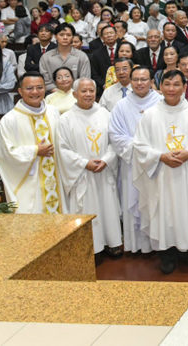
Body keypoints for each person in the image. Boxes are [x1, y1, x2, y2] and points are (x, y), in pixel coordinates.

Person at [132, 69, 188, 274]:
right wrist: (161, 156)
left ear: (184, 87)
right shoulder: (150, 115)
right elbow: (139, 145)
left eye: (176, 84)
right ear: (160, 87)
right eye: (167, 84)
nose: (171, 89)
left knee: (187, 210)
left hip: (186, 174)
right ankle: (166, 255)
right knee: (164, 212)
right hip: (161, 175)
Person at [56, 78, 123, 257]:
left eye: (91, 91)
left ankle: (111, 242)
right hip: (82, 174)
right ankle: (91, 247)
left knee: (107, 207)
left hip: (104, 171)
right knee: (87, 209)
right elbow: (62, 150)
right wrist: (84, 163)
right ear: (74, 94)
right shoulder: (65, 119)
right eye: (83, 91)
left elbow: (114, 142)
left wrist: (106, 160)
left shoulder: (105, 114)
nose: (88, 94)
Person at [0, 73, 65, 214]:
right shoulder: (10, 120)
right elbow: (5, 153)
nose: (35, 92)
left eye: (39, 87)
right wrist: (35, 151)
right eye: (29, 88)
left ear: (45, 88)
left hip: (55, 179)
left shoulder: (53, 112)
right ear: (20, 91)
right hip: (29, 182)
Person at [108, 65, 162, 254]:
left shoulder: (161, 102)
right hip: (131, 164)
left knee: (156, 203)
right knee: (133, 202)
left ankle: (159, 244)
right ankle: (137, 245)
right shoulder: (121, 105)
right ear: (130, 82)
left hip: (156, 164)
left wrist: (150, 152)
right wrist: (141, 150)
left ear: (151, 81)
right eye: (136, 80)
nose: (140, 83)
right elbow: (116, 135)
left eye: (144, 79)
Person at [40, 24, 91, 92]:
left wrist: (71, 94)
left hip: (76, 94)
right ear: (55, 36)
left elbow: (85, 79)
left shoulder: (82, 56)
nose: (65, 37)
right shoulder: (46, 57)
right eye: (61, 35)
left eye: (68, 35)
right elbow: (45, 81)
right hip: (52, 95)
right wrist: (59, 93)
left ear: (73, 37)